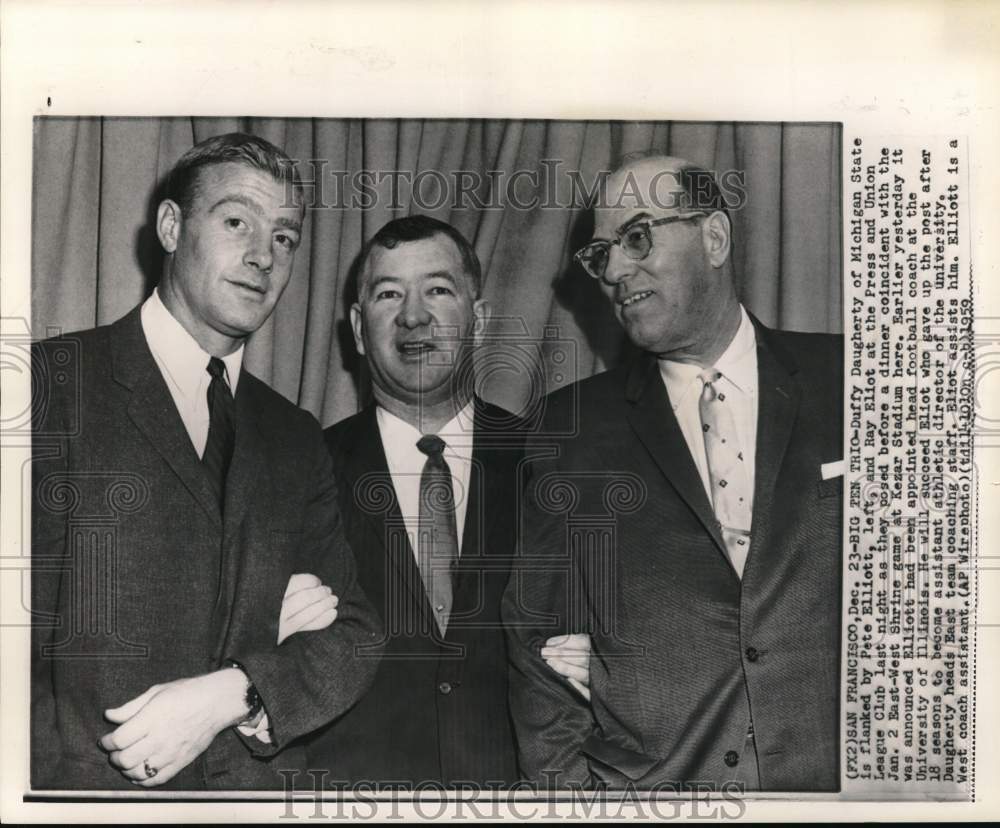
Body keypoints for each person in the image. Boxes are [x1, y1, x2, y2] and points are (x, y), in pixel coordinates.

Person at [30, 133, 383, 790]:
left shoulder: (296, 435)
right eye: (236, 221)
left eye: (284, 238)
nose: (262, 256)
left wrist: (236, 692)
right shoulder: (51, 387)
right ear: (171, 226)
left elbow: (356, 635)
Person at [502, 154, 843, 792]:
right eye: (601, 252)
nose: (615, 271)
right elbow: (536, 644)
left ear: (713, 237)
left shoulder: (858, 380)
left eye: (637, 238)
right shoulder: (568, 428)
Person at [302, 215, 585, 788]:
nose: (413, 316)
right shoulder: (302, 471)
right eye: (388, 295)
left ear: (477, 319)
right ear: (358, 330)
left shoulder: (554, 465)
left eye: (437, 289)